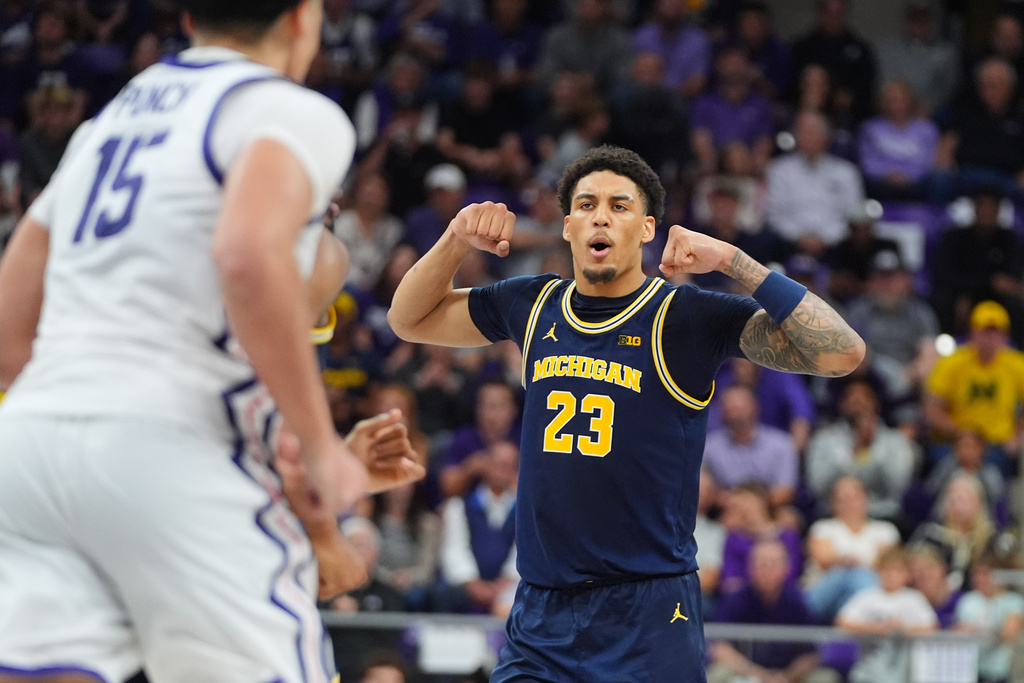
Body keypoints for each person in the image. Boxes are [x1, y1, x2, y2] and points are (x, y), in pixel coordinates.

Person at [0, 1, 425, 680]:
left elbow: (10, 304)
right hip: (172, 443)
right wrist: (321, 448)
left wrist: (75, 417)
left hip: (29, 445)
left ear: (191, 21)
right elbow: (247, 251)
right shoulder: (287, 110)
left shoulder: (111, 120)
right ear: (301, 21)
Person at [387, 144, 865, 681]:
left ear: (646, 229)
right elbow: (409, 320)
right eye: (588, 204)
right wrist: (455, 240)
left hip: (650, 613)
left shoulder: (685, 316)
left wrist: (734, 262)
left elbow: (842, 352)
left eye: (620, 206)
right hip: (542, 612)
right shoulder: (533, 303)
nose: (602, 216)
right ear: (568, 226)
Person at [710, 540, 840, 683]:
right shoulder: (734, 600)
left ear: (787, 567)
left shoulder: (798, 601)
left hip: (788, 675)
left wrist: (787, 677)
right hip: (744, 672)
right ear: (750, 567)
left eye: (773, 564)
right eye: (761, 564)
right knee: (718, 674)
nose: (766, 570)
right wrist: (756, 673)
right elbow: (719, 647)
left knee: (825, 677)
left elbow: (811, 654)